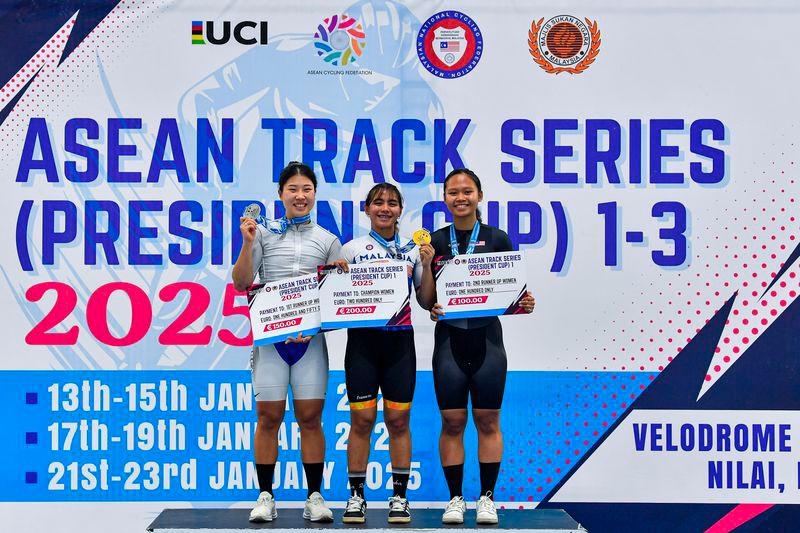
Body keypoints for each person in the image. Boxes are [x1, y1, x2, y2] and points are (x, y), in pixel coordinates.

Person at [232, 161, 346, 523]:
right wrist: (248, 243)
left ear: (314, 194)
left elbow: (333, 301)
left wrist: (314, 325)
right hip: (271, 342)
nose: (300, 195)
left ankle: (315, 496)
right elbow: (240, 283)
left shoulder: (328, 240)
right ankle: (266, 496)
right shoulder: (262, 234)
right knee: (268, 418)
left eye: (306, 189)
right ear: (280, 195)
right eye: (292, 189)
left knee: (310, 419)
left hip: (309, 343)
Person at [427, 169, 536, 525]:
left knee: (488, 420)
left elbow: (511, 292)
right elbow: (426, 299)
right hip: (449, 341)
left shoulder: (497, 237)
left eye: (467, 191)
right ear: (444, 199)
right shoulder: (436, 242)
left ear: (479, 195)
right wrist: (431, 300)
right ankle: (455, 499)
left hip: (488, 341)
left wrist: (525, 302)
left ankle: (487, 499)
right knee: (452, 421)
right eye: (453, 192)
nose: (461, 197)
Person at [338, 184, 436, 524]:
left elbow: (424, 300)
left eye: (392, 203)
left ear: (400, 210)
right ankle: (356, 496)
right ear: (366, 208)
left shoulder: (413, 249)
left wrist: (426, 264)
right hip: (362, 346)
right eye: (378, 202)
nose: (385, 208)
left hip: (399, 346)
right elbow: (333, 296)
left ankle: (399, 497)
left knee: (398, 421)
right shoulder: (350, 250)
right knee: (362, 421)